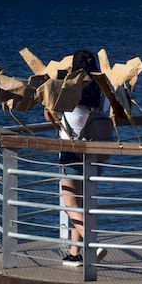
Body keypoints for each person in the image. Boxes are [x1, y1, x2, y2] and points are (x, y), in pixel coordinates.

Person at [45, 49, 110, 267]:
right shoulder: (103, 90)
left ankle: (94, 242)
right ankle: (75, 254)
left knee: (70, 202)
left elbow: (50, 114)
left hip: (71, 150)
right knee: (81, 204)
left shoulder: (70, 90)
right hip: (96, 150)